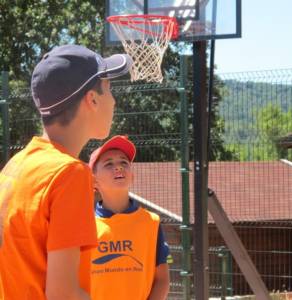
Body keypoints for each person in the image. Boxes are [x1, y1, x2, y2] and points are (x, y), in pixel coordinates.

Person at [0, 44, 132, 300]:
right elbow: (63, 295)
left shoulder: (17, 165)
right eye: (109, 89)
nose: (114, 100)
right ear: (92, 100)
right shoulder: (69, 174)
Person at [87, 135, 170, 300]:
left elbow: (162, 280)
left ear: (132, 176)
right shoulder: (84, 225)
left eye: (124, 162)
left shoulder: (151, 222)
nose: (118, 167)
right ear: (94, 181)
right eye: (108, 164)